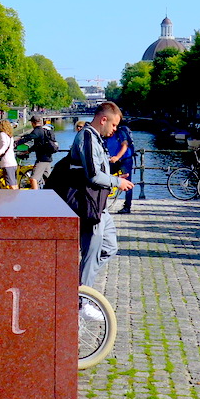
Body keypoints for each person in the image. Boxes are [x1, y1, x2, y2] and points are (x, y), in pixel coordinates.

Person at [61, 101, 134, 296]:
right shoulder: (87, 136)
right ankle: (81, 300)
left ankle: (77, 283)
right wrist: (117, 182)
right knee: (92, 253)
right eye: (114, 125)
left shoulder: (96, 138)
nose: (115, 129)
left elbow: (98, 168)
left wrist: (114, 175)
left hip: (99, 204)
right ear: (103, 120)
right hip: (89, 204)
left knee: (109, 247)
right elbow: (93, 175)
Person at [16, 115, 58, 189]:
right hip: (48, 158)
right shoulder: (43, 130)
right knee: (47, 179)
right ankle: (50, 194)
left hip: (42, 159)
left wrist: (16, 143)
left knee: (33, 179)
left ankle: (36, 195)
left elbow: (29, 138)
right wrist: (28, 151)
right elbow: (37, 145)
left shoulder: (37, 130)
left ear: (33, 123)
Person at [106, 120, 135, 214]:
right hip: (113, 159)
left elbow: (125, 145)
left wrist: (117, 157)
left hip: (125, 160)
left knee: (127, 183)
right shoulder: (105, 134)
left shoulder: (121, 132)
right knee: (105, 178)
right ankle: (102, 202)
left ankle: (127, 206)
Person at [0, 119, 18, 189]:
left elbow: (5, 145)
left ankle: (12, 196)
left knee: (10, 184)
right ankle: (17, 195)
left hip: (7, 162)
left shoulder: (2, 134)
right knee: (14, 183)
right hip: (13, 162)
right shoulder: (10, 136)